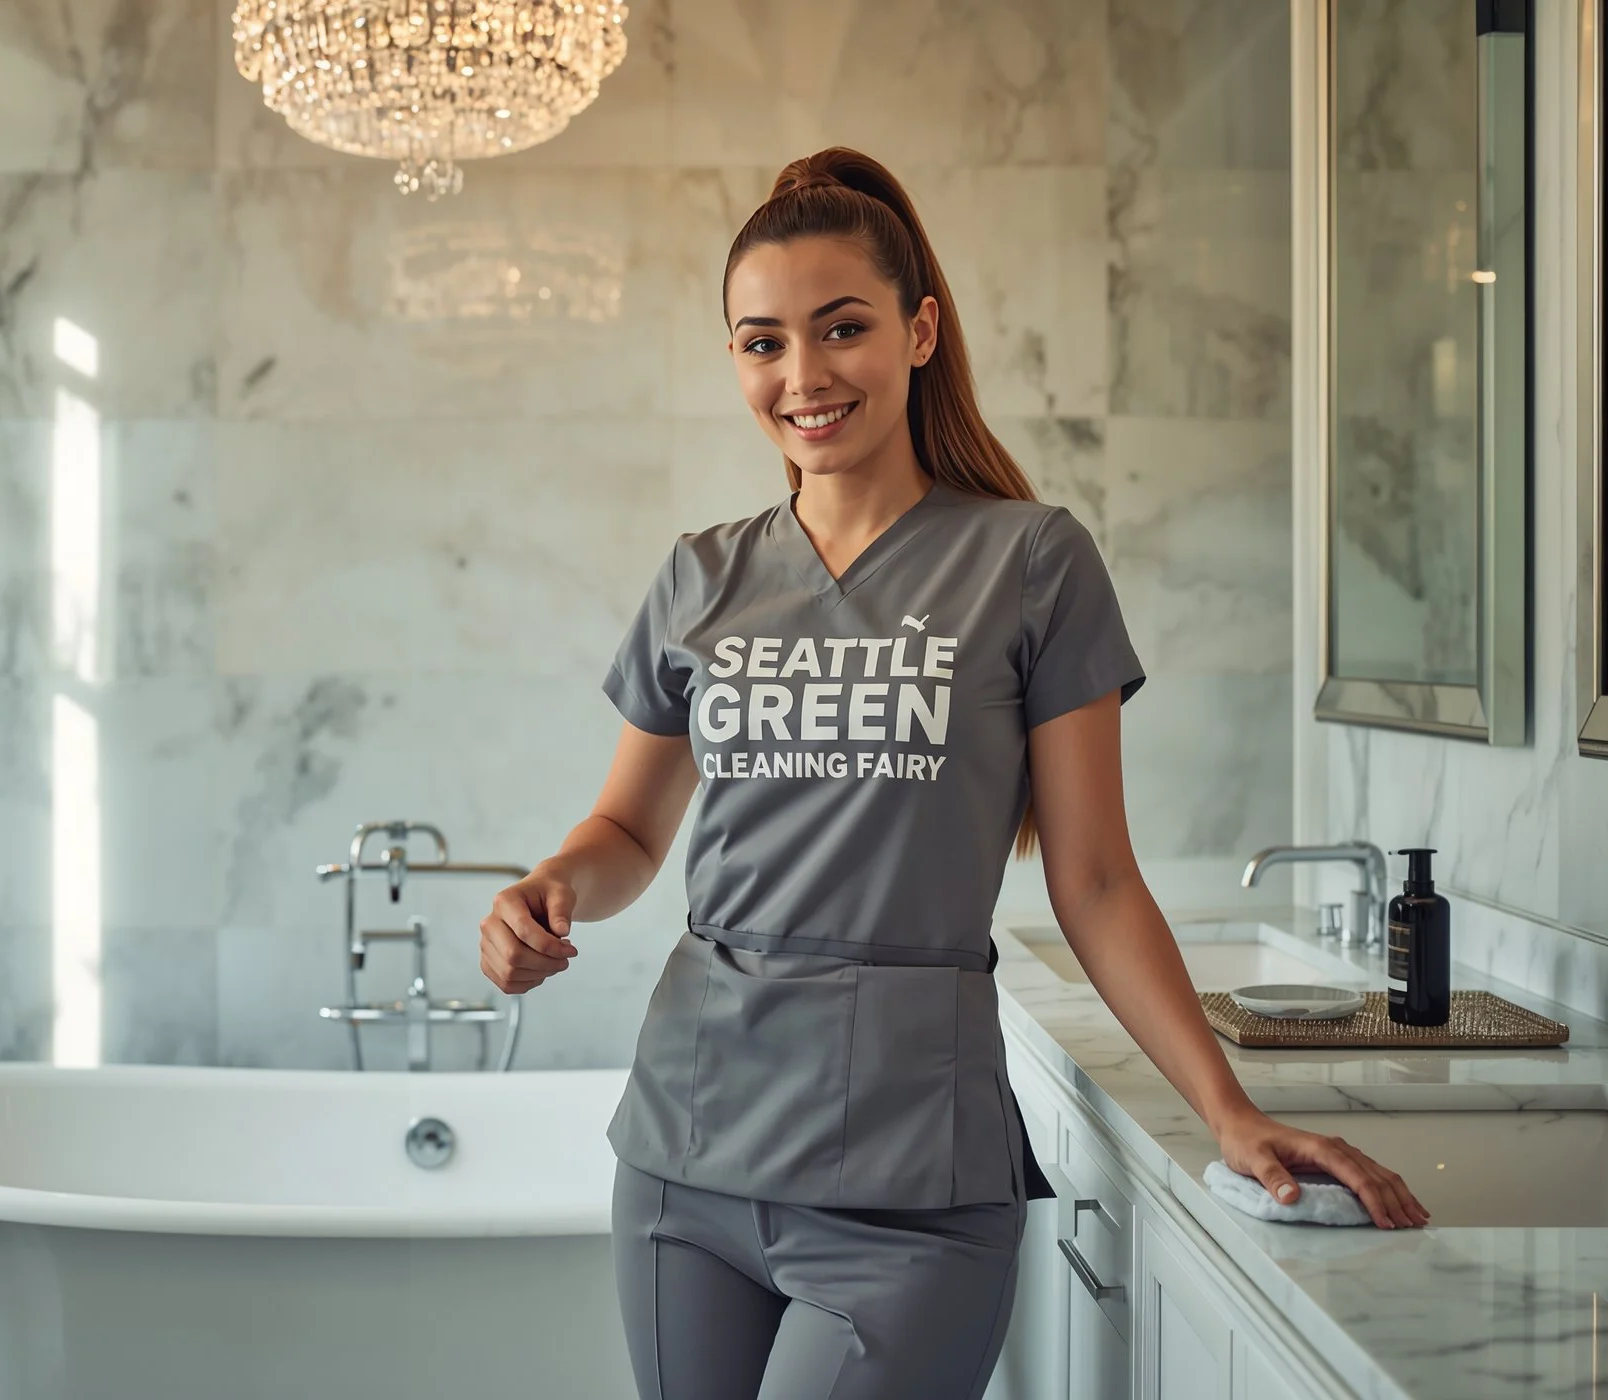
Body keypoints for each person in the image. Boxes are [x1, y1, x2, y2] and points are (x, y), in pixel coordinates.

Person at [475, 147, 1427, 1400]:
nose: (803, 376)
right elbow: (629, 831)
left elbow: (1095, 879)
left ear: (919, 331)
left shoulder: (1032, 563)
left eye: (843, 328)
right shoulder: (700, 575)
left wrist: (1226, 1108)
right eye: (763, 343)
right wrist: (550, 885)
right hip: (683, 1153)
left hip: (912, 1175)